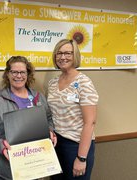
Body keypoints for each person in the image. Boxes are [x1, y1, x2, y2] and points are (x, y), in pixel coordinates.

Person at [0, 56, 57, 179]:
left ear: (28, 74)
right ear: (8, 74)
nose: (18, 76)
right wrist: (1, 146)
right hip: (4, 169)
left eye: (22, 72)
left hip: (33, 166)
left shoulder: (38, 98)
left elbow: (49, 119)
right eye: (14, 72)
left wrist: (50, 131)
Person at [47, 39, 99, 180]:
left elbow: (90, 123)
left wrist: (81, 158)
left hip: (76, 146)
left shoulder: (84, 82)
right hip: (56, 144)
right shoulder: (52, 83)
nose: (63, 57)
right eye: (59, 53)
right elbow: (51, 115)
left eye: (68, 53)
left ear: (75, 55)